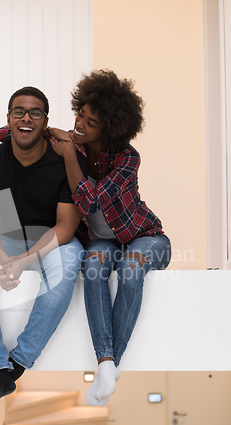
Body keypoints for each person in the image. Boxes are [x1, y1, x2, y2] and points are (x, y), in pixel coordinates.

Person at [48, 70, 172, 406]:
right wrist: (47, 129)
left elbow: (89, 202)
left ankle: (109, 363)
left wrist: (70, 154)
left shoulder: (127, 158)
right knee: (92, 267)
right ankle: (107, 365)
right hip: (103, 242)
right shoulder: (70, 139)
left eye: (91, 122)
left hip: (144, 237)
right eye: (79, 114)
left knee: (131, 270)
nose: (80, 124)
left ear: (110, 128)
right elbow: (10, 133)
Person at [0, 86, 84, 408]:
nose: (26, 118)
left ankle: (15, 365)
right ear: (9, 118)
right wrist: (3, 258)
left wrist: (24, 260)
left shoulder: (61, 162)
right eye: (19, 112)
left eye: (35, 113)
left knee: (67, 268)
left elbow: (66, 225)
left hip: (54, 240)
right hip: (10, 237)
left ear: (45, 121)